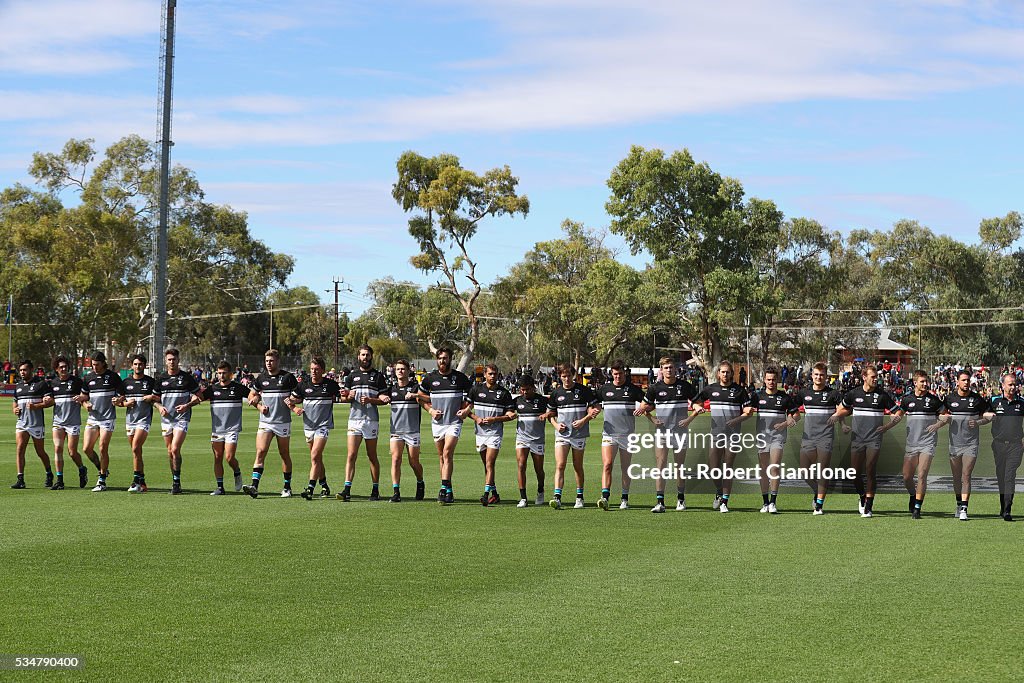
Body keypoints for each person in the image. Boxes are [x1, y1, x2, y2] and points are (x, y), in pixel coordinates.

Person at [829, 366, 898, 518]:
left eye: (876, 377)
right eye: (873, 376)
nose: (876, 379)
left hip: (874, 439)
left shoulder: (882, 395)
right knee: (854, 473)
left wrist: (887, 426)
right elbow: (843, 409)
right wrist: (838, 418)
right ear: (864, 377)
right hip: (857, 438)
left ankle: (869, 505)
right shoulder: (854, 393)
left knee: (870, 469)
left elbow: (897, 412)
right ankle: (862, 496)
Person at [689, 361, 753, 513]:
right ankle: (719, 491)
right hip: (716, 434)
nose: (725, 374)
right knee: (713, 468)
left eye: (728, 372)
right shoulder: (711, 389)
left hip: (733, 436)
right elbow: (695, 402)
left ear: (732, 373)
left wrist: (736, 420)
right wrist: (697, 407)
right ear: (718, 374)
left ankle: (725, 501)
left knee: (728, 468)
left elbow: (748, 412)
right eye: (722, 372)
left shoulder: (739, 391)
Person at [638, 357, 699, 512]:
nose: (669, 370)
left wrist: (689, 419)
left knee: (679, 467)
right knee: (661, 466)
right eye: (666, 368)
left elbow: (698, 405)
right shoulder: (654, 388)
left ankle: (681, 500)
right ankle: (660, 502)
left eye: (671, 367)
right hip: (662, 433)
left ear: (675, 369)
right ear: (661, 370)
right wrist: (652, 418)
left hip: (680, 433)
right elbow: (643, 407)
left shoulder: (685, 386)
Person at [882, 369, 943, 518]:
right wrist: (885, 427)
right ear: (915, 383)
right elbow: (898, 417)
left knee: (922, 474)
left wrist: (937, 425)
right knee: (907, 477)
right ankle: (913, 495)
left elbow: (946, 417)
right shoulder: (907, 400)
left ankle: (917, 508)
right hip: (912, 443)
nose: (925, 384)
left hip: (928, 443)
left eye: (926, 381)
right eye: (922, 381)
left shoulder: (934, 401)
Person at [931, 370, 991, 520]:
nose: (966, 383)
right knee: (956, 477)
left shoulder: (977, 399)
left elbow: (989, 416)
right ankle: (959, 504)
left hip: (971, 443)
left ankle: (964, 508)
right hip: (954, 444)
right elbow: (940, 414)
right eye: (963, 380)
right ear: (957, 382)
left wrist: (978, 422)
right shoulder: (949, 399)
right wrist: (944, 419)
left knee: (966, 475)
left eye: (968, 380)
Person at [418, 347, 474, 504]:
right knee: (441, 456)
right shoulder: (429, 378)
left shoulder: (460, 378)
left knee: (447, 452)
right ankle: (448, 488)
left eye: (445, 358)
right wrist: (430, 411)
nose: (443, 361)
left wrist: (465, 410)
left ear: (451, 359)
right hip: (438, 423)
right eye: (440, 358)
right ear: (437, 360)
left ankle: (444, 489)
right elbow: (420, 398)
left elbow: (472, 396)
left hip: (454, 422)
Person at [741, 366, 800, 514]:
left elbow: (796, 415)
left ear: (777, 380)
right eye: (768, 379)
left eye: (773, 379)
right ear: (764, 380)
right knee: (763, 470)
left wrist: (785, 423)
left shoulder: (785, 397)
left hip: (777, 438)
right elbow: (746, 408)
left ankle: (773, 502)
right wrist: (746, 411)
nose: (771, 382)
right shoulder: (757, 396)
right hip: (762, 437)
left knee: (774, 467)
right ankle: (765, 502)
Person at [242, 349, 298, 499]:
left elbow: (298, 395)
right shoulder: (261, 378)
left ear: (278, 361)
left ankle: (287, 487)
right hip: (266, 422)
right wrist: (258, 405)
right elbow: (251, 395)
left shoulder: (288, 377)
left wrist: (294, 403)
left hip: (282, 422)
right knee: (260, 451)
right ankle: (254, 486)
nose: (268, 363)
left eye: (271, 360)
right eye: (267, 361)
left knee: (284, 454)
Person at [790, 362, 843, 515]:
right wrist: (792, 418)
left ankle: (819, 505)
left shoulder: (833, 394)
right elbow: (792, 408)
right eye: (816, 374)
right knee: (804, 472)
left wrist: (837, 414)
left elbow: (845, 408)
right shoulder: (804, 393)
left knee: (822, 471)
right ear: (812, 376)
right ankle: (817, 490)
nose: (819, 377)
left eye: (822, 375)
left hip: (826, 437)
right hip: (808, 438)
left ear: (826, 377)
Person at [338, 345, 389, 501]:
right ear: (358, 356)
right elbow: (343, 398)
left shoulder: (378, 376)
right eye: (362, 355)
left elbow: (384, 400)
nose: (365, 357)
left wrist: (370, 400)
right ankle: (346, 489)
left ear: (371, 357)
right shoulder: (352, 376)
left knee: (371, 455)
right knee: (351, 455)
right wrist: (348, 396)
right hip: (354, 420)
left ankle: (375, 489)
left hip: (371, 420)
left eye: (367, 355)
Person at [547, 363, 600, 509]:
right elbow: (550, 415)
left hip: (579, 434)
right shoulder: (556, 393)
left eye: (569, 376)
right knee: (560, 464)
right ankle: (557, 497)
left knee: (577, 466)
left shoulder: (583, 391)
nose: (566, 379)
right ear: (560, 377)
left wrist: (584, 420)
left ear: (573, 375)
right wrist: (556, 425)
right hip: (562, 435)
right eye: (563, 376)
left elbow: (596, 408)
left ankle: (579, 497)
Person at [596, 360, 648, 510]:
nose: (618, 376)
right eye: (615, 374)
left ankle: (624, 498)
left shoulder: (633, 390)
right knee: (607, 465)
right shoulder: (605, 389)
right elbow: (593, 403)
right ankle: (605, 497)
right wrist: (593, 410)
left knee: (626, 468)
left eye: (620, 373)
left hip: (627, 435)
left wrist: (642, 408)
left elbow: (648, 401)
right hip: (609, 434)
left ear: (625, 373)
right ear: (612, 374)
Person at [153, 348, 204, 495]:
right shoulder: (161, 379)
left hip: (182, 419)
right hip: (166, 420)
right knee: (170, 452)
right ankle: (176, 481)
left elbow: (198, 396)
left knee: (175, 449)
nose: (171, 362)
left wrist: (187, 405)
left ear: (178, 360)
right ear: (166, 361)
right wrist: (160, 406)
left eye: (174, 359)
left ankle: (176, 483)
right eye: (169, 359)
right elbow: (155, 400)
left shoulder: (187, 378)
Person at [290, 356, 341, 500]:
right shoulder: (303, 385)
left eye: (317, 369)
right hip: (308, 426)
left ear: (323, 371)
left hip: (323, 426)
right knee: (317, 458)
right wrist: (294, 408)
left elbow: (342, 397)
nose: (313, 372)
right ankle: (324, 485)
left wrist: (347, 395)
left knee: (314, 456)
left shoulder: (330, 385)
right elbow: (290, 400)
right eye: (312, 369)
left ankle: (310, 488)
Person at [469, 364, 517, 506]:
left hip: (495, 434)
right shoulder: (476, 389)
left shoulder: (504, 393)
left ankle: (485, 495)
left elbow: (510, 415)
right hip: (480, 433)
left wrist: (495, 419)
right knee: (486, 465)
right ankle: (495, 493)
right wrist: (476, 418)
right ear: (484, 374)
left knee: (490, 463)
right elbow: (465, 409)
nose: (492, 376)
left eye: (494, 374)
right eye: (490, 374)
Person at [378, 358, 425, 502]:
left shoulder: (415, 387)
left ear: (408, 371)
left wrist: (416, 395)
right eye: (398, 369)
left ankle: (420, 482)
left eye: (403, 369)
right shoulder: (392, 389)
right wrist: (383, 396)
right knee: (395, 459)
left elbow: (429, 398)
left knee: (413, 462)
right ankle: (396, 491)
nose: (400, 371)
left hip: (412, 431)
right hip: (396, 431)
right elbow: (380, 395)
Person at [48, 356, 96, 488]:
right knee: (57, 448)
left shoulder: (76, 382)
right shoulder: (53, 383)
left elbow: (85, 396)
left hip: (73, 422)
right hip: (58, 422)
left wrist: (84, 402)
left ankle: (81, 469)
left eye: (65, 367)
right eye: (61, 367)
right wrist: (46, 400)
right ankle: (59, 480)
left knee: (72, 452)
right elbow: (49, 399)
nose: (64, 369)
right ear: (56, 369)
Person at [80, 351, 124, 492]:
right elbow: (83, 397)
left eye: (97, 365)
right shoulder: (88, 377)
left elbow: (122, 394)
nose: (95, 368)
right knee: (86, 448)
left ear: (103, 363)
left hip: (107, 418)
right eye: (93, 365)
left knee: (102, 447)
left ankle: (102, 479)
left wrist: (119, 399)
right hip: (93, 418)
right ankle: (101, 467)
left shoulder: (113, 377)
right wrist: (85, 404)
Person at [202, 360, 247, 495]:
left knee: (229, 457)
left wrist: (256, 401)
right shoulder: (212, 389)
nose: (221, 375)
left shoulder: (237, 388)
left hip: (232, 429)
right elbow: (198, 398)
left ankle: (237, 472)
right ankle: (220, 488)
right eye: (219, 373)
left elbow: (251, 394)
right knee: (217, 457)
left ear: (230, 374)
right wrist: (187, 405)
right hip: (217, 430)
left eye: (224, 373)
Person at [983, 373, 1024, 521]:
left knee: (1009, 476)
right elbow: (984, 414)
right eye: (1010, 384)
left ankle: (1007, 509)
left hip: (1016, 446)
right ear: (1003, 385)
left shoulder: (1021, 402)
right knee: (1001, 476)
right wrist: (987, 416)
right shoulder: (994, 400)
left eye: (1014, 384)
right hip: (999, 445)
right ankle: (1003, 506)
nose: (1013, 387)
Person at [10, 359, 54, 489]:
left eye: (25, 370)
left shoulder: (41, 384)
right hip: (22, 423)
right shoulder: (18, 386)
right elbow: (15, 402)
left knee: (40, 451)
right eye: (21, 370)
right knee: (20, 449)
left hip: (36, 424)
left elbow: (51, 401)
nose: (23, 372)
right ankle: (20, 479)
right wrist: (15, 409)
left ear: (31, 370)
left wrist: (38, 405)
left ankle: (49, 473)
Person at [119, 354, 159, 493]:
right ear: (132, 365)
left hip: (144, 420)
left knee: (136, 447)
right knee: (137, 452)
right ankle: (142, 482)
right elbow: (118, 401)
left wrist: (152, 397)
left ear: (144, 365)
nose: (138, 366)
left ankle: (135, 482)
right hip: (130, 421)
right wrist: (125, 403)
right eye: (135, 364)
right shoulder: (126, 382)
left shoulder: (150, 382)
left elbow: (158, 397)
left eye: (140, 364)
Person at [512, 375, 552, 508]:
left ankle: (540, 490)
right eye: (522, 390)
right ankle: (523, 497)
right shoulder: (517, 401)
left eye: (527, 389)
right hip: (522, 438)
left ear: (533, 388)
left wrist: (546, 415)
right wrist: (510, 414)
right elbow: (508, 412)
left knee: (538, 469)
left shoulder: (542, 401)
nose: (524, 392)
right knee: (521, 465)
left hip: (537, 439)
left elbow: (553, 411)